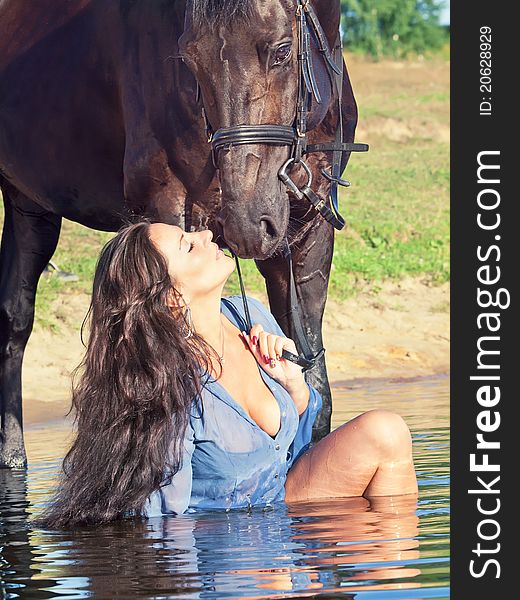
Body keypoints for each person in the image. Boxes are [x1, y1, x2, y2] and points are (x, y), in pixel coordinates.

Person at [37, 219, 417, 528]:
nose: (205, 234)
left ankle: (391, 563)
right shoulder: (165, 382)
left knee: (386, 432)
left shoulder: (249, 315)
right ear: (170, 295)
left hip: (285, 507)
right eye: (189, 245)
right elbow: (162, 522)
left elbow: (293, 452)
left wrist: (295, 389)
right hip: (227, 548)